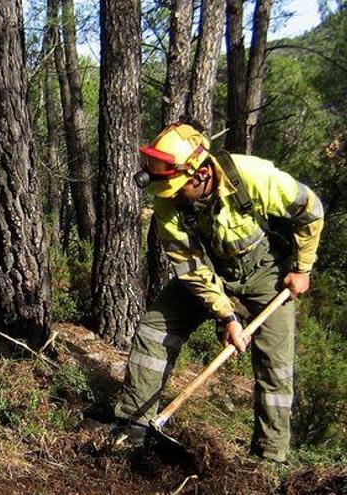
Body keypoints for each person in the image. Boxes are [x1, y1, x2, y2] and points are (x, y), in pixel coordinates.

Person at [114, 120, 325, 463]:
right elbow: (189, 265)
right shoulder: (168, 199)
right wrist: (226, 314)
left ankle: (269, 457)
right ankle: (132, 423)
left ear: (200, 175)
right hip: (210, 270)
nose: (170, 196)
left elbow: (310, 210)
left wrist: (302, 269)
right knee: (155, 328)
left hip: (265, 272)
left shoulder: (253, 176)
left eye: (177, 188)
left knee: (276, 365)